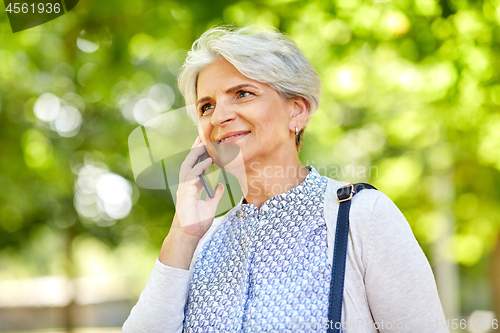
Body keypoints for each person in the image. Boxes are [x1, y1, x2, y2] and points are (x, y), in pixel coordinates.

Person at [122, 25, 448, 332]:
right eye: (206, 106)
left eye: (243, 94)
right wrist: (182, 235)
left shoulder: (363, 218)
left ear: (297, 111)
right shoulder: (201, 242)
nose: (219, 116)